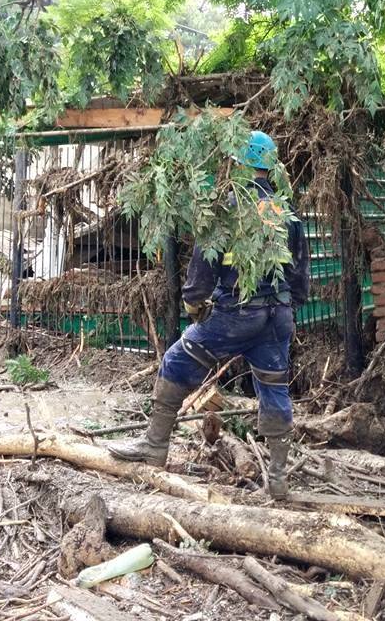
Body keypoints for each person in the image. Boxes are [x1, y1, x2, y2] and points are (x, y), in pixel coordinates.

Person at [108, 131, 310, 500]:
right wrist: (288, 307)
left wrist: (193, 305)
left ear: (239, 163)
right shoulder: (287, 213)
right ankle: (278, 478)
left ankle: (154, 448)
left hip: (235, 314)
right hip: (277, 316)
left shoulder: (228, 208)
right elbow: (300, 275)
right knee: (274, 386)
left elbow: (203, 268)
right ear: (270, 166)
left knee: (175, 361)